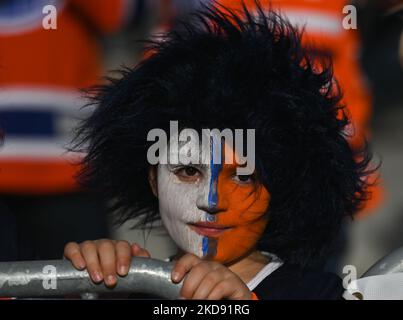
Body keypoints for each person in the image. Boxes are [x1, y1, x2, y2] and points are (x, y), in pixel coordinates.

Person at [63, 2, 373, 299]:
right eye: (188, 171)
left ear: (278, 185)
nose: (210, 201)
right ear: (154, 180)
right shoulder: (131, 288)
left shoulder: (323, 293)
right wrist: (91, 291)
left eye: (242, 176)